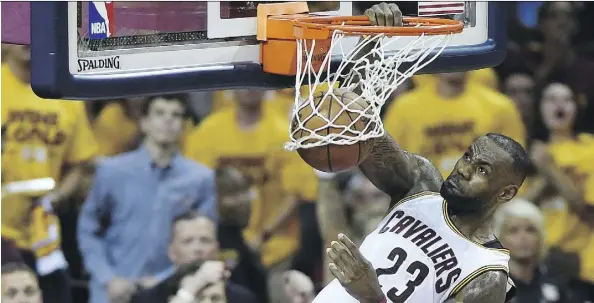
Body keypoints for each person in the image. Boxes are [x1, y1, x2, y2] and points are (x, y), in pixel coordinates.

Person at [313, 3, 526, 303]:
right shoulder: (421, 184)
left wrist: (372, 295)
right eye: (468, 157)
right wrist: (372, 37)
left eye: (482, 170)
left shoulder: (487, 274)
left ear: (505, 194)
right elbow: (358, 125)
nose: (464, 169)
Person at [78, 94, 217, 303]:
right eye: (159, 113)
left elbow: (203, 241)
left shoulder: (200, 179)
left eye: (176, 115)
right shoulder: (112, 171)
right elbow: (88, 229)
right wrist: (108, 278)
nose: (168, 120)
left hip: (170, 290)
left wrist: (165, 279)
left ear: (183, 125)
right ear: (144, 122)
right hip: (111, 291)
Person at [184, 89, 320, 302]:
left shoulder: (282, 132)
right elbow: (194, 190)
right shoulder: (208, 132)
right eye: (243, 84)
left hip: (275, 248)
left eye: (254, 84)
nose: (249, 89)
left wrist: (263, 234)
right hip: (221, 248)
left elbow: (298, 193)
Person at [2, 44, 98, 303]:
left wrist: (55, 197)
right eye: (18, 33)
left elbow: (81, 164)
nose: (27, 42)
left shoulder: (64, 95)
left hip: (43, 231)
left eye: (34, 34)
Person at [130, 212, 257, 303]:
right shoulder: (147, 299)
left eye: (205, 240)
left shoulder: (242, 299)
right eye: (187, 241)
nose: (197, 249)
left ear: (217, 249)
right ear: (171, 252)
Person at [493, 198, 567, 303]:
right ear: (500, 238)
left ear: (540, 237)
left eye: (530, 230)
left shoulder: (556, 282)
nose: (523, 237)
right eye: (513, 231)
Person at [215, 167, 269, 302]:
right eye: (233, 193)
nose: (244, 200)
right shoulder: (218, 242)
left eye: (245, 190)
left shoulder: (238, 239)